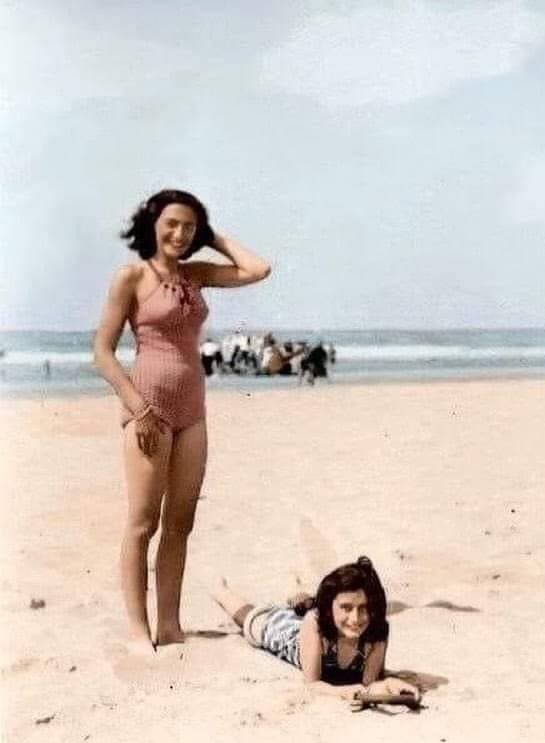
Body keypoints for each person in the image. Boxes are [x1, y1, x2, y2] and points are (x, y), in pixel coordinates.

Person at [93, 189, 271, 654]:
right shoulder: (131, 276)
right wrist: (138, 405)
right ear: (152, 223)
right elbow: (103, 352)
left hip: (193, 411)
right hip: (147, 410)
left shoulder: (196, 275)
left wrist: (214, 236)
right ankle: (138, 630)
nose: (180, 233)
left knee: (180, 522)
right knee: (142, 523)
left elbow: (258, 269)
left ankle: (169, 626)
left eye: (190, 227)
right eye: (172, 223)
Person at [212, 556, 420, 701]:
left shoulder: (376, 630)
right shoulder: (316, 622)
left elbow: (369, 684)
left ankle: (298, 593)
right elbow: (312, 684)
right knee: (253, 619)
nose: (356, 618)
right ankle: (221, 591)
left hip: (323, 618)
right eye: (347, 607)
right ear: (331, 607)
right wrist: (343, 693)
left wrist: (391, 685)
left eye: (364, 608)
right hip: (291, 636)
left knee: (309, 608)